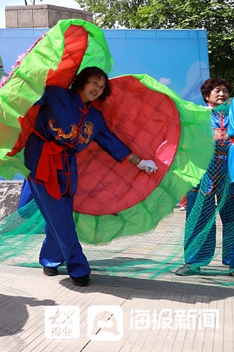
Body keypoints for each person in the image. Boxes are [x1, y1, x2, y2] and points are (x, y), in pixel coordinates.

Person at [23, 66, 157, 286]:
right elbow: (26, 99)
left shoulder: (94, 117)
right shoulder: (56, 94)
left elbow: (110, 142)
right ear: (83, 81)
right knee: (61, 217)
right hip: (42, 162)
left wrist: (140, 162)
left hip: (67, 168)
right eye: (94, 82)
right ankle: (78, 267)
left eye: (102, 86)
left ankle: (50, 260)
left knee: (60, 215)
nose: (97, 88)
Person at [176, 78, 234, 276]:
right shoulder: (196, 114)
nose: (222, 94)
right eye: (217, 90)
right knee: (199, 217)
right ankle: (193, 262)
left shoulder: (233, 115)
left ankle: (233, 263)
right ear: (206, 95)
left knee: (233, 218)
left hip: (230, 171)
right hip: (203, 173)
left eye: (225, 91)